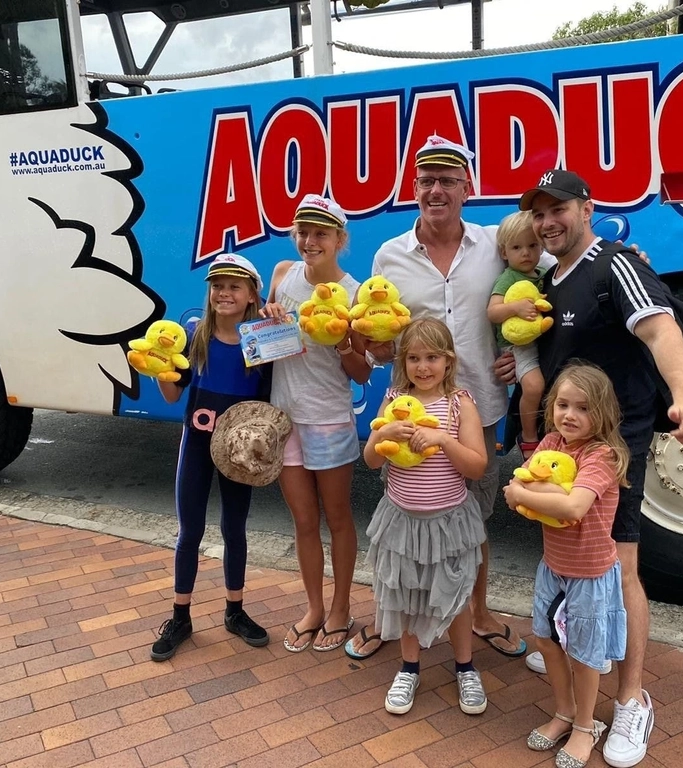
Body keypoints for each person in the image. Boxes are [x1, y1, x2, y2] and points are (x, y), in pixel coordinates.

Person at [519, 169, 683, 768]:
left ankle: (629, 700)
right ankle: (579, 654)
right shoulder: (551, 278)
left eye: (559, 210)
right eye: (539, 214)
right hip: (562, 450)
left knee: (618, 570)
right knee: (572, 564)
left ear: (588, 208)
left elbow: (660, 330)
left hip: (612, 452)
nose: (549, 222)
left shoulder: (615, 264)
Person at [346, 135, 528, 661]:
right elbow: (382, 341)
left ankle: (479, 609)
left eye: (448, 179)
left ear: (467, 188)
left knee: (474, 518)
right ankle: (398, 617)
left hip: (480, 407)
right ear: (414, 188)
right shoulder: (390, 256)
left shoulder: (496, 246)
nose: (437, 189)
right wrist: (378, 349)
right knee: (405, 519)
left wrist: (521, 351)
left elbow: (535, 288)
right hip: (409, 414)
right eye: (427, 180)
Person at [260, 194, 372, 653]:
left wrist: (345, 342)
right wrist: (266, 318)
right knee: (303, 521)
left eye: (321, 233)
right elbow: (267, 344)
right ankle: (313, 607)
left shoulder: (357, 291)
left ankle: (342, 606)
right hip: (285, 419)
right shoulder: (282, 275)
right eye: (303, 231)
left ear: (339, 240)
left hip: (327, 419)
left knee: (338, 518)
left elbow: (362, 372)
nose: (310, 240)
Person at [504, 362, 630, 768]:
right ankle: (564, 712)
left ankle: (585, 725)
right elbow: (515, 490)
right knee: (547, 641)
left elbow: (573, 505)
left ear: (603, 413)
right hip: (553, 566)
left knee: (584, 654)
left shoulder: (602, 455)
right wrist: (525, 493)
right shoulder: (551, 443)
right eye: (562, 404)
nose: (570, 415)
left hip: (590, 574)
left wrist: (525, 494)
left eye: (583, 408)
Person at [150, 253, 272, 661]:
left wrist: (280, 320)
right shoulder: (194, 335)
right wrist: (160, 369)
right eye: (218, 285)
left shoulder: (262, 339)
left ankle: (234, 610)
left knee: (234, 528)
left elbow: (282, 388)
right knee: (190, 532)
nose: (224, 293)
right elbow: (172, 395)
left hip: (240, 455)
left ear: (252, 293)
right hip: (197, 447)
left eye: (235, 286)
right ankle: (180, 615)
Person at [364, 318, 489, 716]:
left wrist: (443, 440)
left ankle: (465, 667)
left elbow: (477, 467)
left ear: (448, 361)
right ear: (403, 362)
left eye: (432, 358)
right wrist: (385, 436)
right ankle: (409, 668)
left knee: (452, 598)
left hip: (449, 522)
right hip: (401, 522)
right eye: (414, 358)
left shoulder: (459, 403)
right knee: (405, 597)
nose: (423, 367)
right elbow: (368, 460)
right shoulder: (395, 399)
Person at [486, 210, 548, 459]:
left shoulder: (543, 275)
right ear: (504, 252)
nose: (526, 253)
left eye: (532, 245)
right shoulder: (508, 277)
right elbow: (493, 312)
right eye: (517, 247)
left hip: (538, 341)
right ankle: (529, 436)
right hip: (516, 346)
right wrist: (515, 307)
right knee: (533, 386)